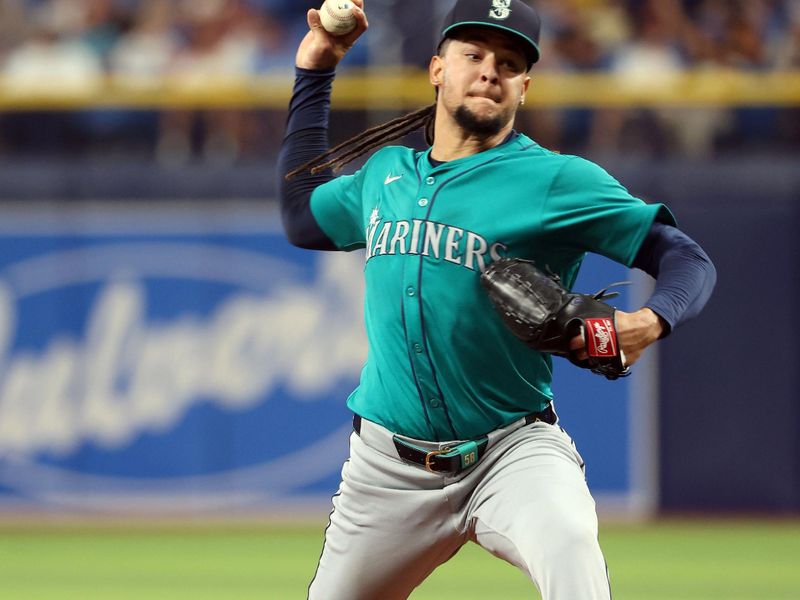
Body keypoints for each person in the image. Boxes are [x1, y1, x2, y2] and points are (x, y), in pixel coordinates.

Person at [277, 1, 716, 598]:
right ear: (437, 69)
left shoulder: (557, 181)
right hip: (386, 473)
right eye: (473, 55)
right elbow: (303, 218)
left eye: (509, 63)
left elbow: (686, 258)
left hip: (511, 452)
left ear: (525, 87)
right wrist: (316, 67)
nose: (490, 71)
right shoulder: (385, 175)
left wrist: (649, 320)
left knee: (568, 542)